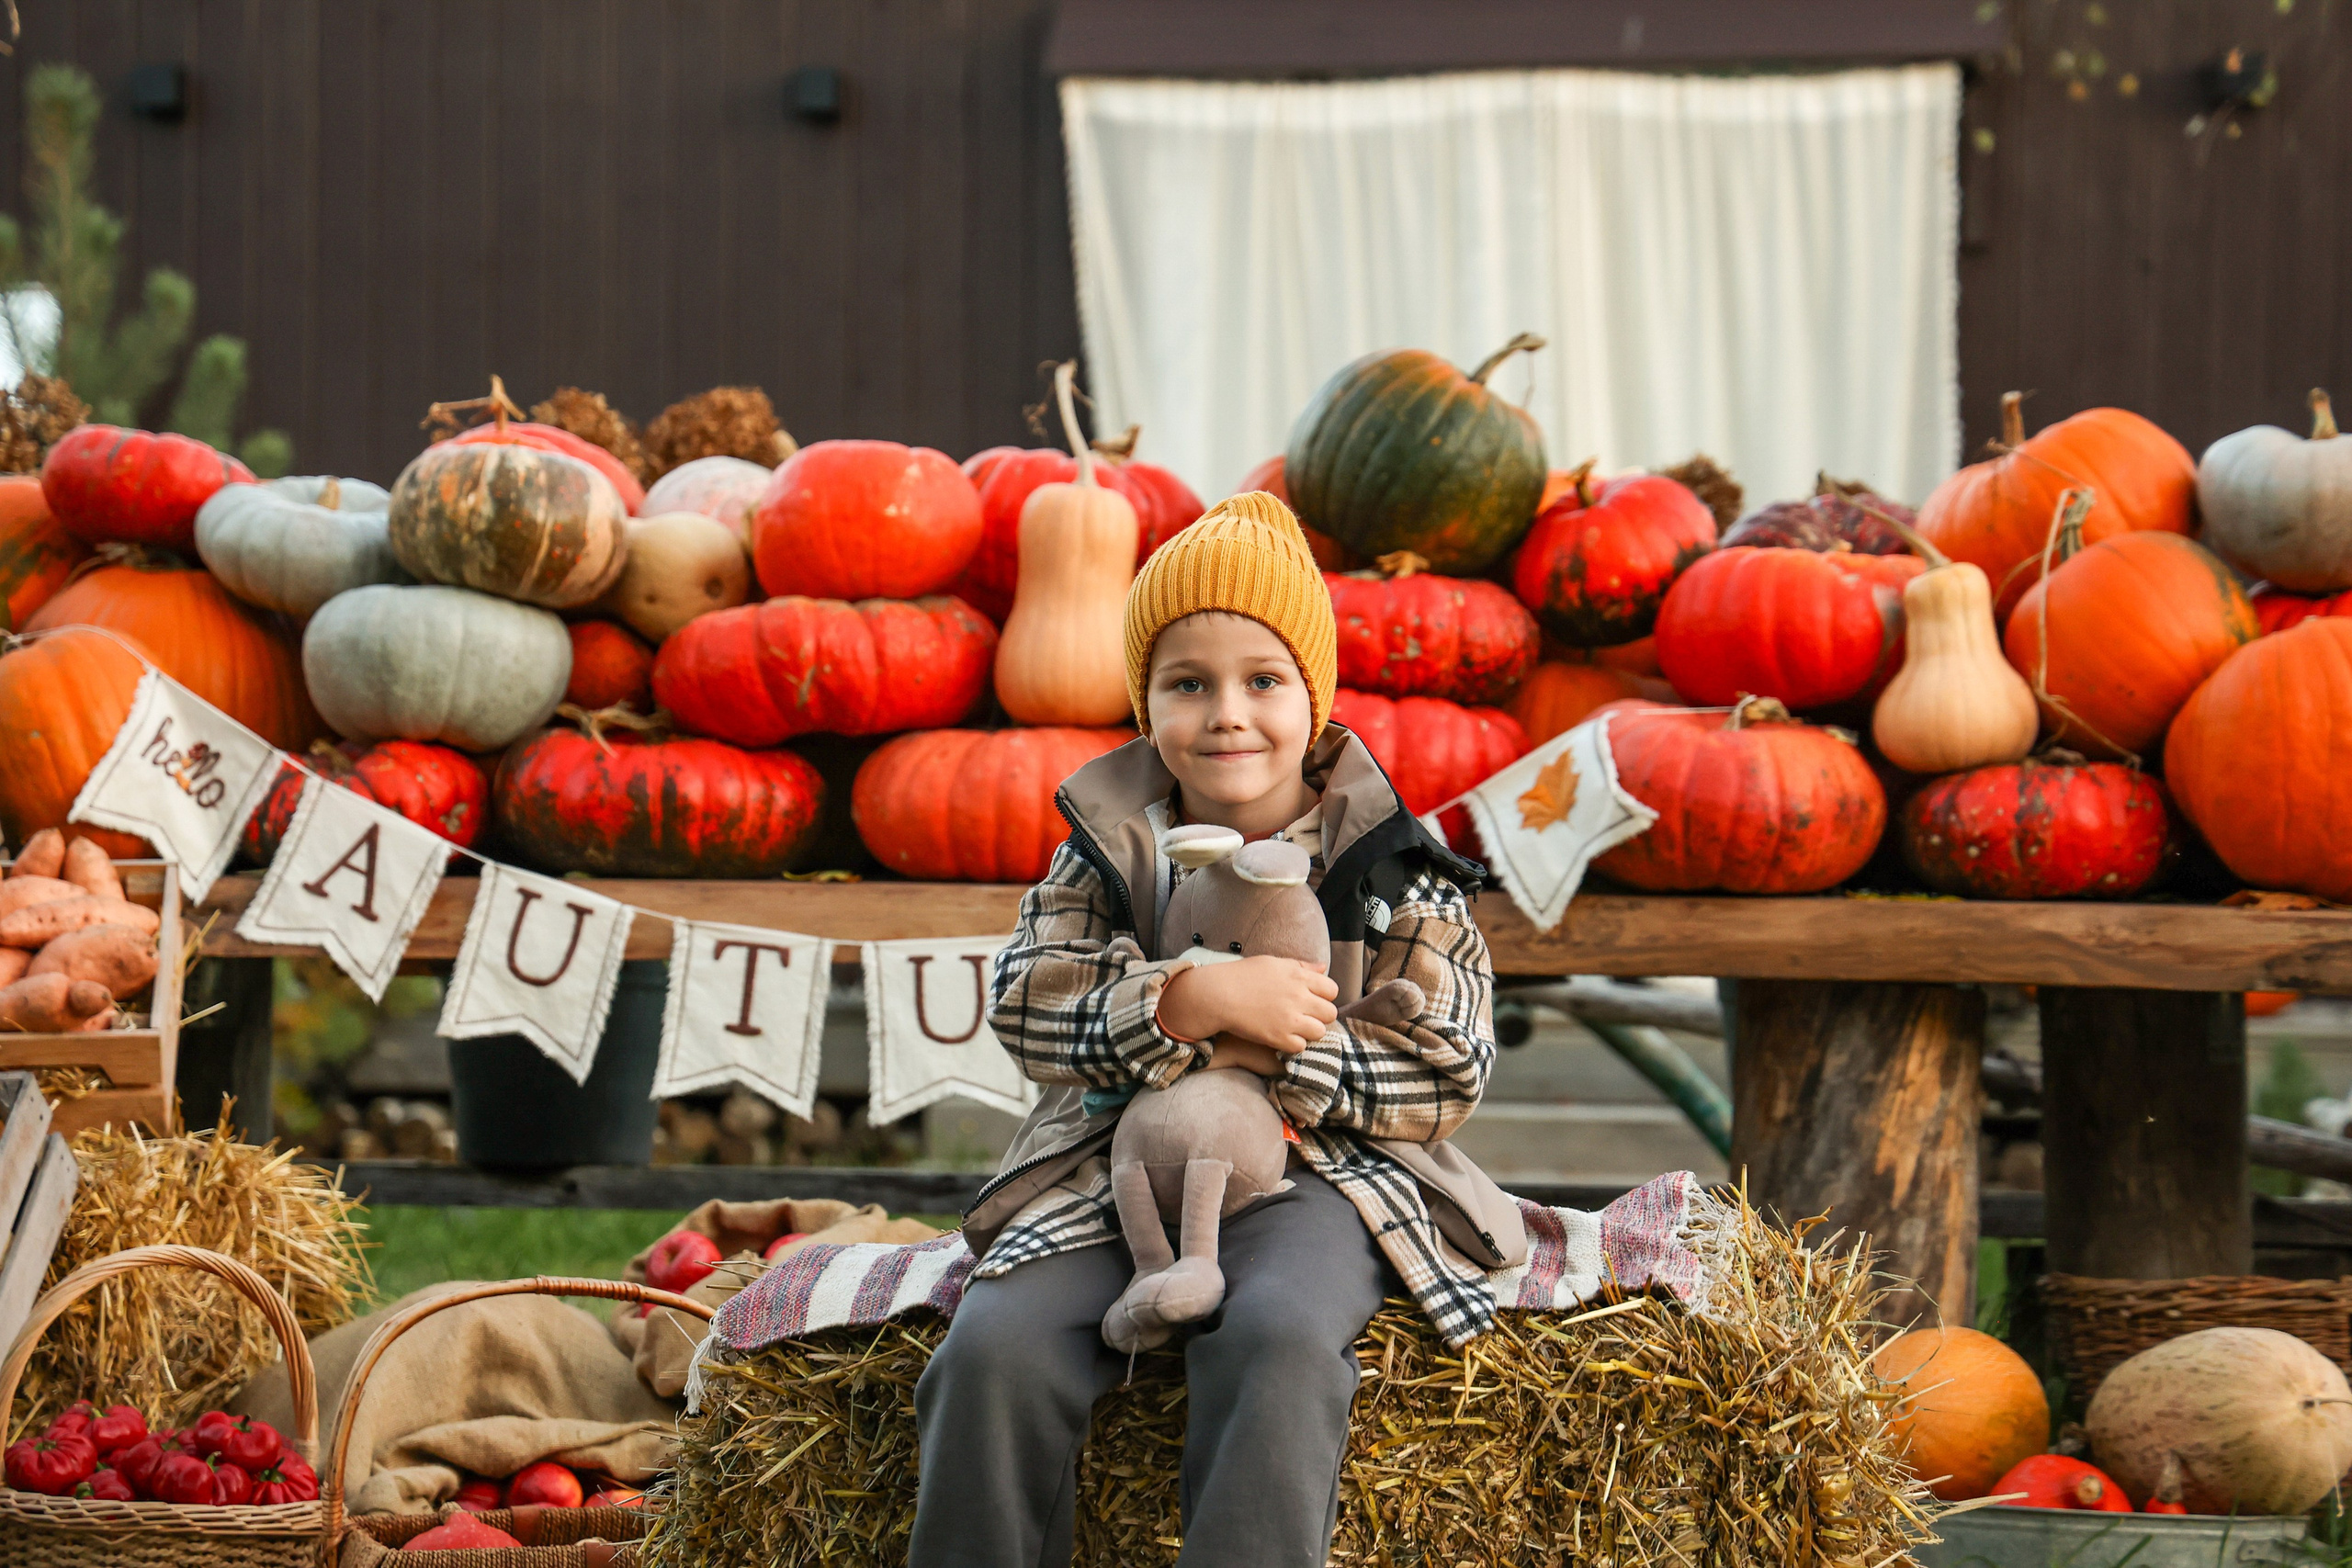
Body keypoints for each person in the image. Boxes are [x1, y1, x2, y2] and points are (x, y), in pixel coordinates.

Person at [909, 491, 1520, 1568]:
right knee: (993, 1352)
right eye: (1187, 684)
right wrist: (1182, 1004)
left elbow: (1450, 1066)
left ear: (1313, 697)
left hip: (1323, 1175)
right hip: (1122, 1165)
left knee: (1279, 1338)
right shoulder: (1106, 848)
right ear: (1145, 702)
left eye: (1263, 681)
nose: (1227, 714)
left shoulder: (1390, 867)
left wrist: (1289, 1044)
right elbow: (1023, 1006)